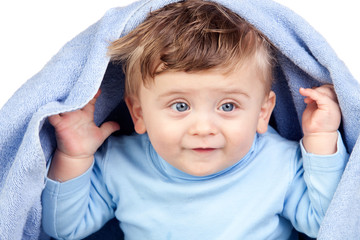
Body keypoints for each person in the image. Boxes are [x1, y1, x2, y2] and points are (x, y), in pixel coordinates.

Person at [41, 0, 348, 239]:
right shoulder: (120, 164)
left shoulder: (279, 164)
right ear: (139, 113)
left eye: (228, 106)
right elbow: (65, 228)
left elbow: (331, 226)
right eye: (179, 106)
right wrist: (74, 156)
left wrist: (321, 140)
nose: (203, 128)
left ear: (263, 112)